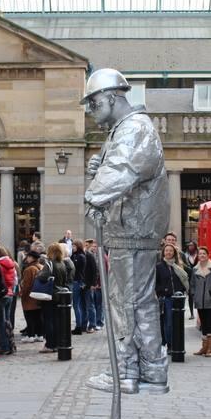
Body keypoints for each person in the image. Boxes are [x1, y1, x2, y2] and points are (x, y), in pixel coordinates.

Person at [83, 67, 170, 395]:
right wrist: (99, 168)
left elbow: (124, 169)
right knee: (139, 302)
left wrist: (93, 195)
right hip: (133, 229)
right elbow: (119, 167)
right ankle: (151, 371)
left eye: (93, 104)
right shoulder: (125, 129)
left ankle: (125, 374)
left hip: (132, 229)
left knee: (124, 303)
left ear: (110, 97)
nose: (91, 113)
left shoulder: (134, 127)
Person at [189, 246, 211, 358]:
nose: (202, 255)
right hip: (200, 301)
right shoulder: (195, 269)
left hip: (210, 302)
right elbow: (192, 285)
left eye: (204, 254)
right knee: (203, 325)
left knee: (210, 324)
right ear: (198, 256)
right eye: (200, 254)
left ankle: (210, 348)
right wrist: (194, 295)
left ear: (208, 255)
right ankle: (204, 347)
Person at [36, 243, 69, 354]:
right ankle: (57, 343)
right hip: (59, 295)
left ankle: (50, 344)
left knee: (48, 321)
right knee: (57, 321)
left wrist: (39, 273)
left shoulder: (49, 264)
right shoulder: (62, 264)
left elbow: (42, 277)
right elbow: (65, 280)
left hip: (49, 295)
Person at [155, 243, 189, 349]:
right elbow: (155, 284)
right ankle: (170, 345)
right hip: (167, 299)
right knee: (168, 323)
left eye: (171, 251)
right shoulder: (159, 266)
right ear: (163, 253)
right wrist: (164, 291)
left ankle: (176, 344)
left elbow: (186, 278)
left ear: (174, 252)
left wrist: (182, 290)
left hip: (179, 299)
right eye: (166, 251)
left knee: (178, 323)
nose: (168, 252)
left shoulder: (178, 266)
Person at [0, 246, 17, 355]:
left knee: (1, 322)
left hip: (2, 295)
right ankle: (10, 344)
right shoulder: (11, 264)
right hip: (10, 294)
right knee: (7, 321)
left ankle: (4, 346)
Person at [19, 251, 43, 343]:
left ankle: (31, 335)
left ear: (32, 258)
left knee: (29, 317)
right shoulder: (41, 266)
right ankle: (39, 334)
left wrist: (22, 294)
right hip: (39, 295)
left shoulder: (29, 269)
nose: (26, 258)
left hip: (30, 297)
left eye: (28, 257)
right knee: (38, 316)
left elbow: (27, 285)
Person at [71, 241, 93, 334]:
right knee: (79, 305)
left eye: (74, 246)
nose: (72, 247)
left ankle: (79, 326)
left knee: (77, 305)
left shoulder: (80, 256)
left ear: (78, 246)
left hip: (77, 282)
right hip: (78, 282)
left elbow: (76, 269)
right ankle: (80, 325)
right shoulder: (76, 255)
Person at [84, 239, 103, 330]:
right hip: (92, 284)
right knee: (93, 304)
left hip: (97, 284)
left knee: (96, 305)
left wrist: (96, 283)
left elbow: (98, 271)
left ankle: (96, 323)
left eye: (95, 246)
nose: (93, 248)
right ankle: (93, 322)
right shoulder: (89, 255)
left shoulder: (99, 256)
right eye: (93, 246)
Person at [185, 241, 199, 319]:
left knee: (199, 297)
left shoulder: (199, 254)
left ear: (195, 246)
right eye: (189, 245)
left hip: (199, 278)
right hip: (190, 279)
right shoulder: (186, 255)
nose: (190, 247)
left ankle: (199, 315)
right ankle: (192, 314)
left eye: (192, 245)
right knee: (190, 296)